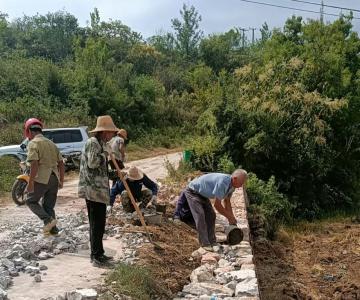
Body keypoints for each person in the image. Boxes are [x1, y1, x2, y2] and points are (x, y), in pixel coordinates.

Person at [78, 115, 118, 267]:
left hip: (99, 192)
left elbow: (100, 169)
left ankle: (99, 253)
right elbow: (93, 163)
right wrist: (106, 155)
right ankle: (95, 255)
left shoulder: (100, 143)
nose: (112, 135)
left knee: (100, 224)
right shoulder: (93, 143)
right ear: (104, 132)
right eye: (111, 132)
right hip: (93, 191)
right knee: (96, 224)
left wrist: (114, 174)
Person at [184, 169, 247, 251]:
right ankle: (204, 243)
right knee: (200, 216)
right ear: (234, 179)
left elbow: (227, 202)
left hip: (203, 195)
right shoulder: (223, 182)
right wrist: (229, 217)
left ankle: (212, 242)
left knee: (211, 216)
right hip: (193, 192)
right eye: (241, 183)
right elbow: (217, 205)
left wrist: (231, 219)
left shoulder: (232, 186)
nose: (241, 185)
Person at [24, 118, 64, 236]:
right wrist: (61, 180)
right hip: (54, 178)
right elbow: (61, 163)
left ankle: (48, 220)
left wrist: (30, 183)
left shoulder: (33, 143)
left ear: (29, 132)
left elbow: (34, 164)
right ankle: (53, 230)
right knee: (48, 206)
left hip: (42, 178)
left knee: (30, 201)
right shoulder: (52, 143)